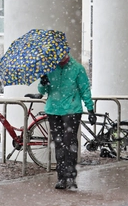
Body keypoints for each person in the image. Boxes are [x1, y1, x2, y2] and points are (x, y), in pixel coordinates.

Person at [38, 53, 97, 190]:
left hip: (72, 110)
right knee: (58, 144)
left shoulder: (77, 68)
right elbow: (42, 91)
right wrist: (43, 81)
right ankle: (61, 178)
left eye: (63, 54)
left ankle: (70, 176)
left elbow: (84, 89)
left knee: (69, 142)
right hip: (53, 110)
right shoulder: (49, 68)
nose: (60, 57)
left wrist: (90, 109)